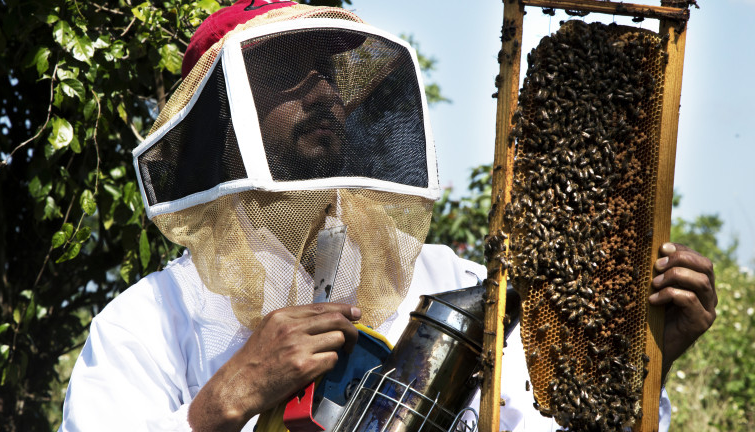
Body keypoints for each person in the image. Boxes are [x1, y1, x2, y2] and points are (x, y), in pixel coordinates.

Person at [59, 1, 716, 431]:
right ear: (224, 121)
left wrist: (638, 367)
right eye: (287, 74)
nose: (324, 91)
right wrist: (217, 405)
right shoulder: (149, 323)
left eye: (328, 72)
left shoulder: (451, 282)